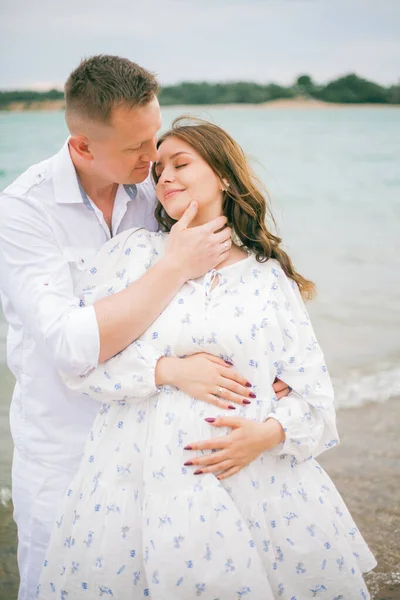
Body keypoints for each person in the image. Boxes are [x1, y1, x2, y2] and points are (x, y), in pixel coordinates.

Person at [37, 118, 376, 600]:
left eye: (180, 163)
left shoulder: (267, 278)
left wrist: (267, 434)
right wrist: (167, 370)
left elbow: (315, 396)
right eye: (158, 170)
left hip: (251, 477)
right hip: (140, 480)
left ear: (223, 175)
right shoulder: (133, 254)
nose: (164, 177)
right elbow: (81, 364)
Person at [0, 56, 288, 600]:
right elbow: (71, 347)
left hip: (157, 445)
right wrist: (173, 265)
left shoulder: (156, 190)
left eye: (154, 135)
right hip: (65, 447)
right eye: (136, 145)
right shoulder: (23, 212)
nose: (153, 157)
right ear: (83, 146)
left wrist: (268, 373)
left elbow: (230, 285)